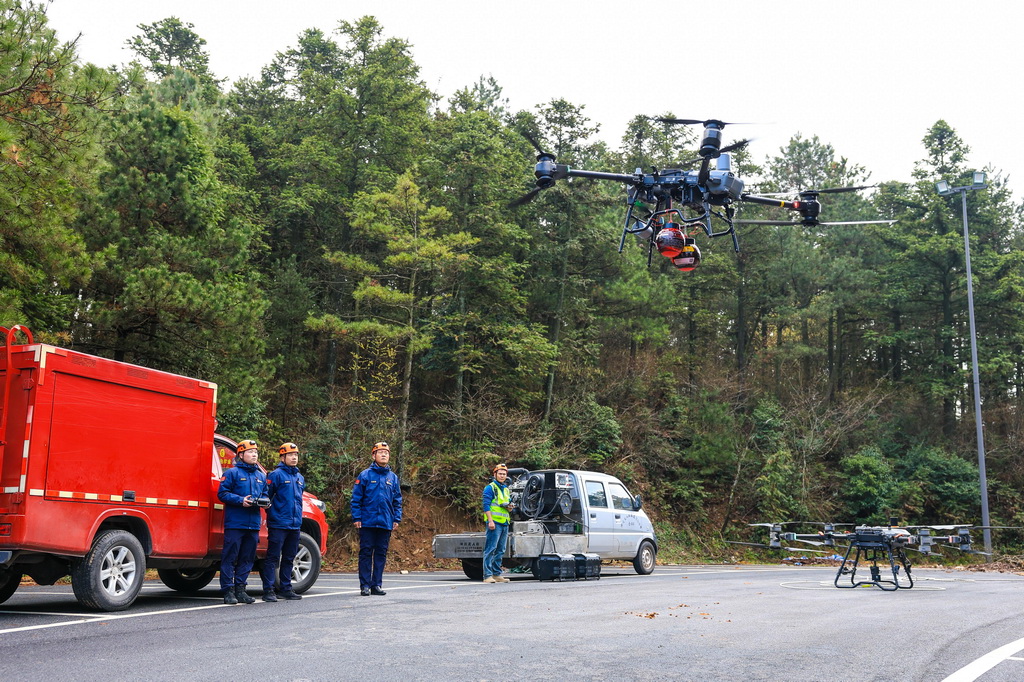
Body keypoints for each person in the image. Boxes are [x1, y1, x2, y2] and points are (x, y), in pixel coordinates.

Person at [217, 439, 267, 605]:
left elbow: (266, 495)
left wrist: (266, 502)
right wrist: (240, 500)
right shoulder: (231, 473)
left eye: (256, 452)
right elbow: (222, 494)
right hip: (235, 523)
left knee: (247, 558)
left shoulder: (261, 475)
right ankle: (228, 590)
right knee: (230, 557)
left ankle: (241, 589)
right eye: (251, 452)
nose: (254, 455)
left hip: (253, 524)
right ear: (241, 454)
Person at [351, 441, 402, 596]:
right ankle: (365, 585)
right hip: (367, 521)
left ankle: (376, 585)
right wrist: (357, 517)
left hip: (385, 522)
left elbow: (397, 500)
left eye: (386, 452)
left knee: (381, 553)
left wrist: (396, 518)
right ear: (374, 455)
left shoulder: (393, 478)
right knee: (366, 552)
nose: (384, 455)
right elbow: (356, 498)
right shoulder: (365, 475)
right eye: (380, 452)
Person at [259, 442, 306, 602]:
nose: (294, 458)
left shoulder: (300, 477)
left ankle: (286, 588)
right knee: (273, 557)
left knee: (289, 557)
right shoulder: (275, 475)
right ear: (282, 457)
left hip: (294, 524)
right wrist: (273, 514)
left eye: (296, 455)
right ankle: (269, 590)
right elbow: (266, 498)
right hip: (278, 523)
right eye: (290, 455)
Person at [482, 463, 513, 583]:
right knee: (491, 549)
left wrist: (510, 507)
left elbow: (508, 505)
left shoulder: (505, 489)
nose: (502, 476)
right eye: (500, 474)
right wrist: (490, 521)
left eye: (504, 474)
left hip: (504, 522)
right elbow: (486, 505)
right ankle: (487, 575)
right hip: (494, 522)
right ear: (495, 474)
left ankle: (496, 574)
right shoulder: (490, 488)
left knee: (500, 550)